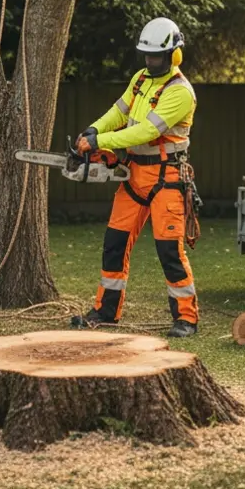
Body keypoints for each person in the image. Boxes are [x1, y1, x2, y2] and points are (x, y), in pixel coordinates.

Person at [72, 17, 201, 337]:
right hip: (133, 175)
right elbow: (119, 111)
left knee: (170, 251)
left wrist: (101, 142)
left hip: (166, 178)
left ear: (174, 55)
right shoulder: (140, 79)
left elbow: (146, 131)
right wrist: (94, 129)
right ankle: (106, 311)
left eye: (156, 57)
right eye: (147, 56)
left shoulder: (180, 92)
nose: (150, 62)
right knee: (114, 244)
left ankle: (186, 318)